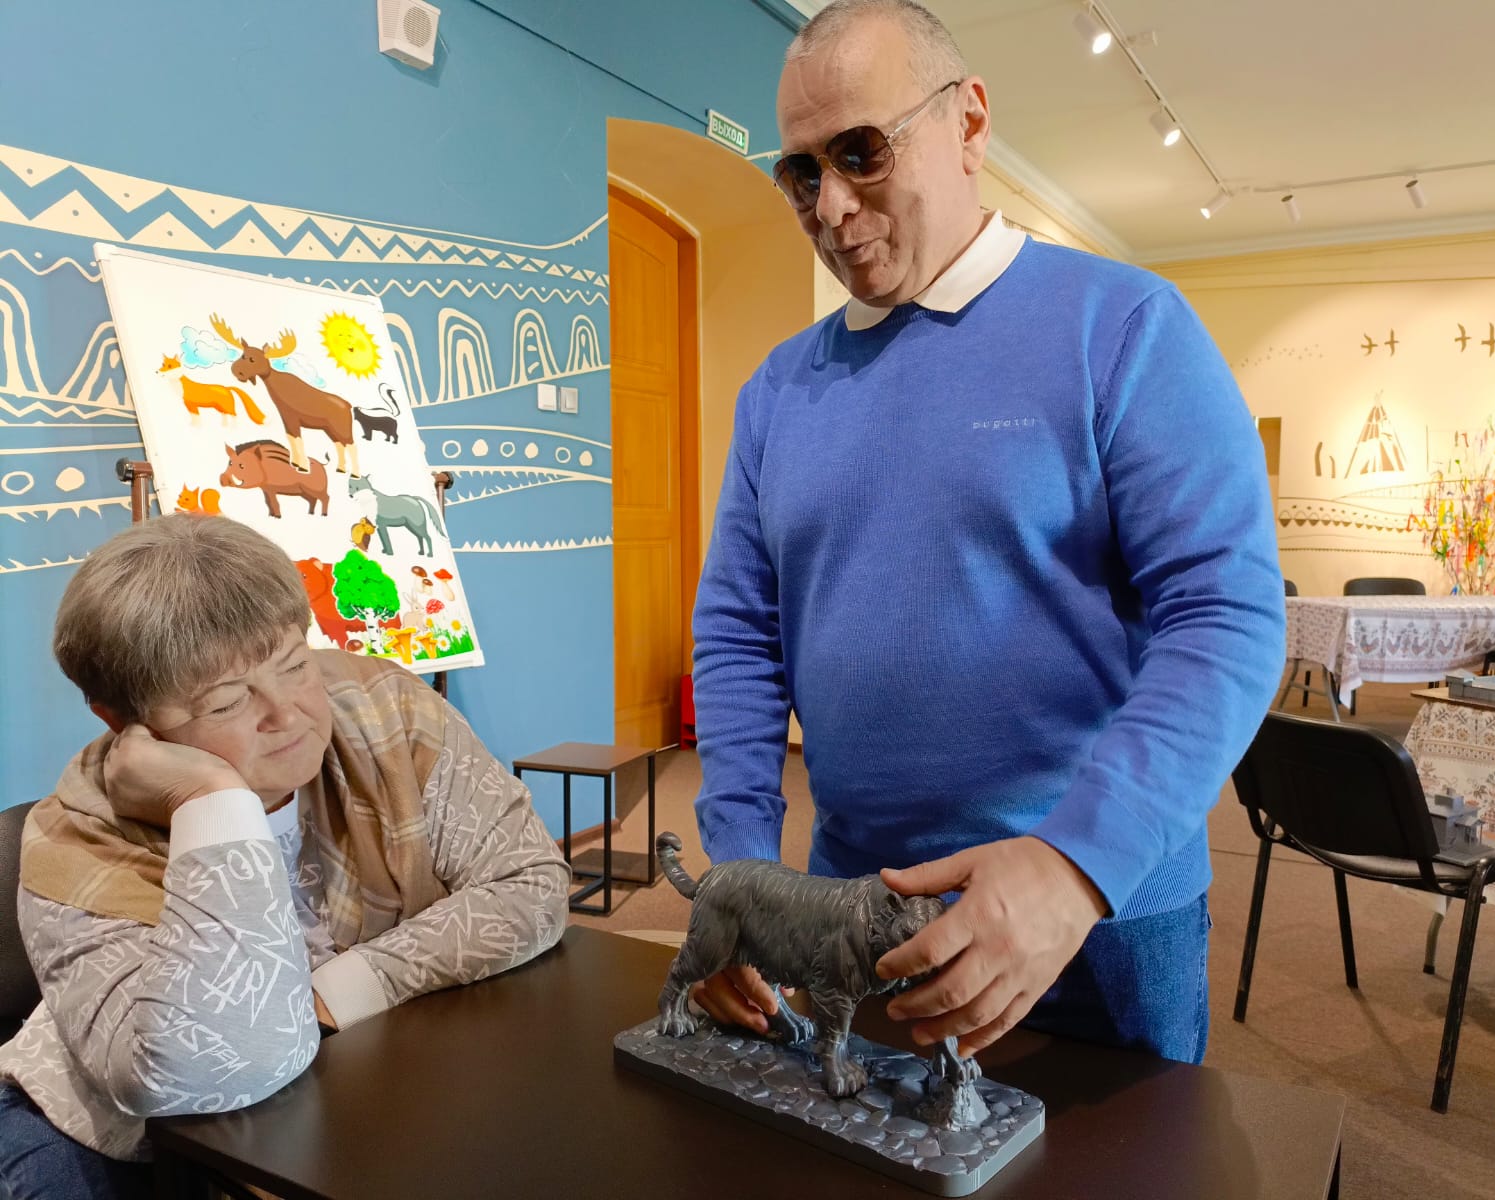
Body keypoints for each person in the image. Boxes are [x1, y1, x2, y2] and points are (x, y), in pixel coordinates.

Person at [690, 0, 1285, 1067]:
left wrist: (1075, 865)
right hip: (853, 910)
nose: (831, 205)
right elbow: (739, 633)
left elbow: (1225, 617)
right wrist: (739, 862)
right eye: (801, 173)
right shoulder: (777, 391)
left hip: (1096, 921)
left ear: (968, 123)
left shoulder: (1125, 327)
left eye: (861, 153)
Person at [0, 515, 570, 1199]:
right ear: (121, 722)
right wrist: (212, 799)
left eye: (296, 665)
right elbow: (201, 1066)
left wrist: (339, 991)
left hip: (347, 1090)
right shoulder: (74, 840)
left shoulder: (384, 712)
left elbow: (528, 882)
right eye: (226, 703)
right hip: (117, 1141)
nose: (288, 714)